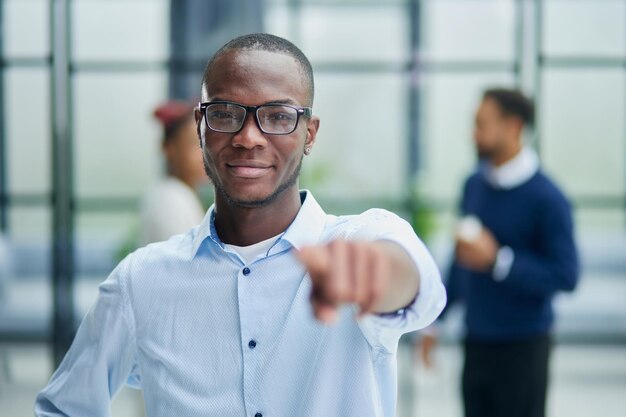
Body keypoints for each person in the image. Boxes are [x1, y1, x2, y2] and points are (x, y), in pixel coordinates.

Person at [35, 33, 446, 417]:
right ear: (200, 125)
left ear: (309, 134)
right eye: (226, 113)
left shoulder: (363, 240)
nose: (249, 137)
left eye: (279, 115)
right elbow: (62, 408)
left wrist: (378, 275)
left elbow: (416, 283)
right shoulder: (140, 281)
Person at [419, 88, 579, 417]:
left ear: (513, 126)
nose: (472, 134)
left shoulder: (548, 199)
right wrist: (434, 321)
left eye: (481, 125)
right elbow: (462, 261)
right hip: (476, 341)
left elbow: (566, 275)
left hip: (523, 347)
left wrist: (499, 261)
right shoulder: (474, 185)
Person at [139, 100, 207, 245]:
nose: (204, 155)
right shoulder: (170, 200)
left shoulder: (178, 193)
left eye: (205, 144)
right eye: (195, 145)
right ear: (169, 148)